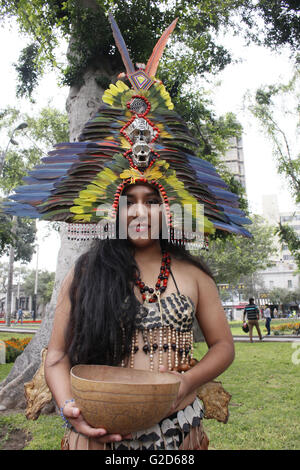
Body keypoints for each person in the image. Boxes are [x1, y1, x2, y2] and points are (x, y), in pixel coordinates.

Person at [4, 15, 251, 450]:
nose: (140, 212)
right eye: (129, 201)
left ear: (169, 207)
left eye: (152, 201)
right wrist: (69, 409)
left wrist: (187, 382)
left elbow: (223, 347)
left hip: (179, 437)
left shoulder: (194, 276)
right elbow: (57, 357)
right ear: (112, 208)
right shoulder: (85, 274)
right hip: (98, 437)